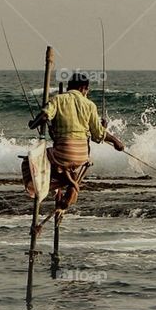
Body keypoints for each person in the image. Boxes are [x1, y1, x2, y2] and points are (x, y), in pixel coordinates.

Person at [27, 71, 125, 209]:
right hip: (82, 156)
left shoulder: (58, 99)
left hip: (63, 153)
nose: (87, 93)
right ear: (82, 88)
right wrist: (116, 141)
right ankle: (71, 183)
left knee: (33, 160)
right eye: (87, 90)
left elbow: (44, 116)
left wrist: (32, 124)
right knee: (66, 164)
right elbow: (98, 135)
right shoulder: (90, 105)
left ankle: (69, 183)